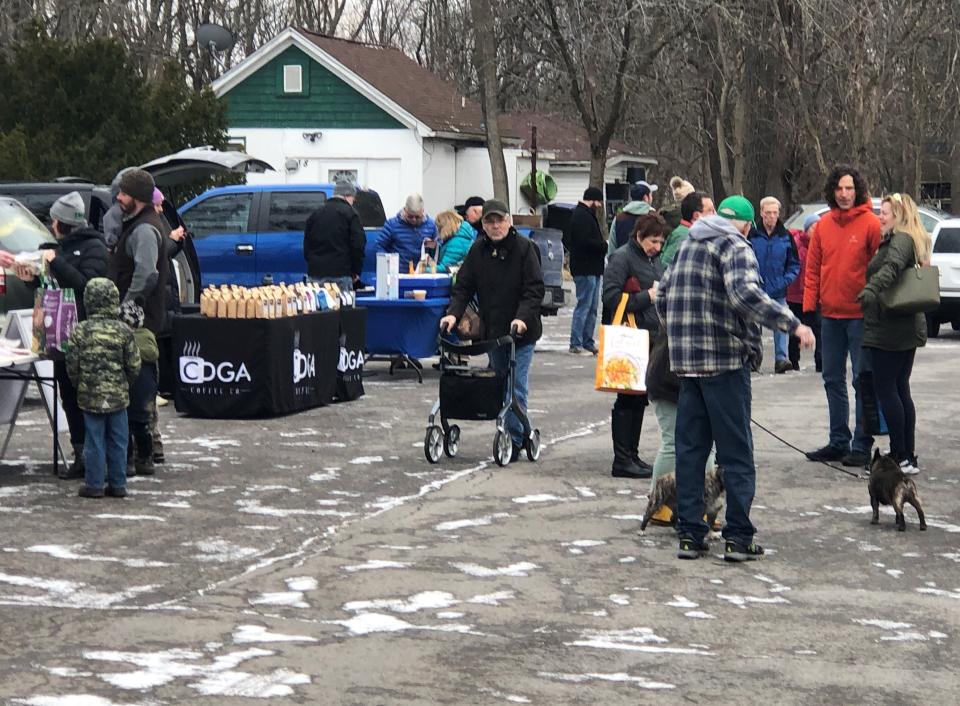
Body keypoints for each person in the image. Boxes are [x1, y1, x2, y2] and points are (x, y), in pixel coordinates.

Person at [656, 195, 815, 561]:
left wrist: (681, 338)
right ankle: (738, 536)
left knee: (691, 452)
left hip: (685, 366)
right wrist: (792, 324)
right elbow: (746, 296)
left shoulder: (687, 245)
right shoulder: (735, 246)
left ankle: (691, 534)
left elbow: (662, 297)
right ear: (744, 224)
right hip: (725, 364)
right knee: (736, 453)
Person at [0, 191, 109, 479]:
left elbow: (86, 285)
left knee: (87, 396)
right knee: (69, 397)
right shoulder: (56, 248)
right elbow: (53, 283)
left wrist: (56, 262)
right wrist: (32, 277)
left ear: (61, 223)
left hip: (85, 335)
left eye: (54, 222)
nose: (51, 227)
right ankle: (80, 452)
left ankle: (96, 458)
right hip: (59, 333)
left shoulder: (93, 248)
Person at [439, 200, 544, 458]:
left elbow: (534, 290)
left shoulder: (524, 248)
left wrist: (521, 318)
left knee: (515, 385)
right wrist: (453, 314)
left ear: (508, 221)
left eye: (499, 221)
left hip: (521, 332)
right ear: (483, 225)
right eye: (489, 222)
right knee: (499, 382)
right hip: (493, 330)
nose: (495, 226)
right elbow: (463, 286)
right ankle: (509, 430)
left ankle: (516, 439)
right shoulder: (478, 251)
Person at [803, 166, 882, 468]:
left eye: (850, 189)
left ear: (857, 190)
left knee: (862, 381)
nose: (845, 194)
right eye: (839, 189)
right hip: (830, 316)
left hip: (861, 317)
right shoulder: (823, 226)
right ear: (832, 192)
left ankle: (862, 443)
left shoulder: (871, 224)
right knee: (831, 378)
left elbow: (881, 267)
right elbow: (812, 269)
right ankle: (838, 440)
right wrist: (809, 309)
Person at [858, 194, 931, 475]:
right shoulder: (909, 238)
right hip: (903, 327)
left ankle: (900, 455)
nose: (881, 216)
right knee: (900, 389)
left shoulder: (900, 240)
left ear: (900, 215)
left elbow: (891, 268)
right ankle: (906, 454)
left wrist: (870, 290)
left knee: (887, 389)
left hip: (890, 328)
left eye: (886, 212)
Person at [601, 213, 669, 479]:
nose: (657, 247)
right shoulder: (622, 257)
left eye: (661, 242)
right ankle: (622, 459)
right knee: (627, 398)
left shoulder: (653, 260)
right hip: (630, 336)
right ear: (639, 236)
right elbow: (610, 297)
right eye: (653, 241)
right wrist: (646, 297)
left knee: (640, 397)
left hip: (650, 337)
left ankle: (632, 454)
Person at [65, 278, 141, 499]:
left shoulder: (80, 331)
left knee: (94, 440)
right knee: (119, 439)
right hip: (118, 396)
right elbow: (134, 364)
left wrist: (79, 384)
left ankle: (94, 484)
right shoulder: (123, 331)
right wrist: (126, 384)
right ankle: (118, 484)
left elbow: (72, 364)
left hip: (90, 396)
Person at [108, 169, 170, 337]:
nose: (119, 197)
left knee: (139, 364)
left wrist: (124, 308)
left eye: (124, 193)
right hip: (135, 322)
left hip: (139, 325)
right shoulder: (136, 223)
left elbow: (147, 274)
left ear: (138, 197)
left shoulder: (144, 229)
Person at [749, 197, 801, 374]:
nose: (772, 217)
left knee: (782, 322)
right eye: (768, 213)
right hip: (756, 289)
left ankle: (782, 359)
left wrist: (784, 280)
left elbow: (794, 264)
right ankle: (753, 359)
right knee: (753, 326)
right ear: (762, 213)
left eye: (775, 213)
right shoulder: (752, 235)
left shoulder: (785, 237)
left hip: (778, 290)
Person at [303, 180, 366, 292]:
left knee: (318, 309)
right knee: (341, 308)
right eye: (353, 198)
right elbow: (358, 245)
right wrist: (356, 271)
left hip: (315, 274)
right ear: (347, 196)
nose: (353, 202)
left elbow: (307, 245)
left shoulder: (315, 214)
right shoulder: (351, 214)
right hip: (341, 274)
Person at [566, 187, 608, 355]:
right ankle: (576, 343)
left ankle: (587, 341)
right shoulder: (581, 216)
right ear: (592, 200)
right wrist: (603, 245)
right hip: (585, 268)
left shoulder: (583, 214)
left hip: (592, 268)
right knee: (585, 306)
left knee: (591, 307)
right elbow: (583, 242)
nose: (599, 206)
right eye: (598, 202)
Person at [119, 300, 158, 477]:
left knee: (124, 426)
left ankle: (127, 462)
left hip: (128, 390)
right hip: (146, 392)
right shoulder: (149, 336)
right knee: (143, 426)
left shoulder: (122, 340)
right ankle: (145, 459)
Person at [786, 214, 822, 371]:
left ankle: (821, 362)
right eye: (814, 227)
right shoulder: (796, 244)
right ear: (807, 229)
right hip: (795, 295)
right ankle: (793, 361)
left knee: (819, 329)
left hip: (815, 296)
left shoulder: (823, 245)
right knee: (795, 330)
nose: (817, 230)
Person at [378, 194, 437, 272]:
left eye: (417, 217)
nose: (414, 220)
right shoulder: (391, 225)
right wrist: (388, 263)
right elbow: (379, 246)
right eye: (410, 216)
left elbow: (437, 249)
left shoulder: (431, 226)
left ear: (423, 211)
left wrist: (431, 245)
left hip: (422, 273)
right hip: (397, 273)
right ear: (405, 210)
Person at [661, 191, 715, 266]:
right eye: (710, 210)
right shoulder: (683, 236)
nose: (715, 214)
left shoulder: (692, 234)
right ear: (696, 215)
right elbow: (664, 264)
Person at [608, 180, 657, 254]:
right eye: (651, 195)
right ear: (645, 198)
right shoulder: (655, 218)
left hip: (622, 262)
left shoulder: (619, 218)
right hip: (646, 263)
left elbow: (612, 247)